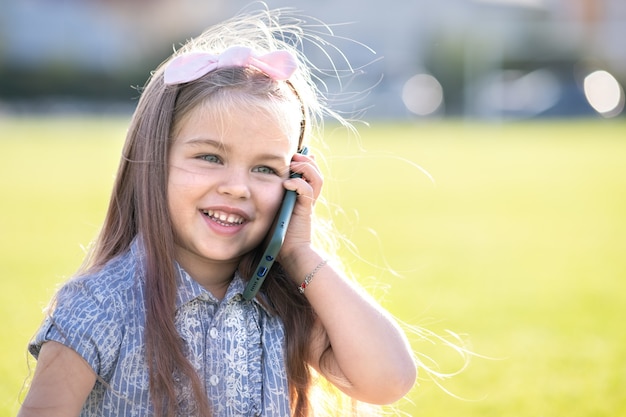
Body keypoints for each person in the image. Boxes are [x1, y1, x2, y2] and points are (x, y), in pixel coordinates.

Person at [18, 8, 416, 417]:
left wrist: (299, 255)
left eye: (265, 168)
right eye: (210, 157)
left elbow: (389, 379)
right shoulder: (102, 304)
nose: (236, 187)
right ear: (152, 160)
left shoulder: (278, 301)